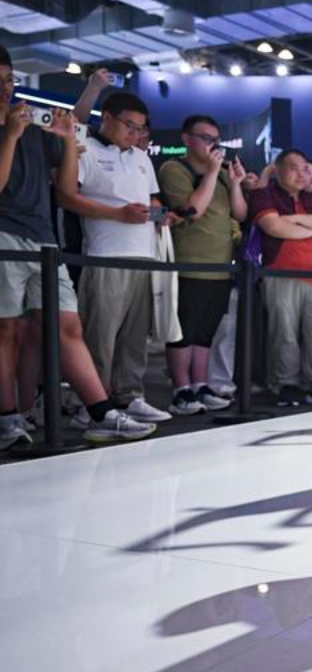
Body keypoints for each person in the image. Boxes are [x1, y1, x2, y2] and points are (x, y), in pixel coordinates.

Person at [0, 47, 156, 447]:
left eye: (9, 79)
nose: (5, 88)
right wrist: (11, 135)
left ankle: (100, 412)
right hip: (5, 237)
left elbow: (65, 186)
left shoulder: (32, 124)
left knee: (68, 326)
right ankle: (8, 418)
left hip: (44, 238)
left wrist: (68, 139)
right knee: (7, 330)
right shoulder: (18, 128)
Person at [56, 91, 173, 426]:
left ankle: (130, 396)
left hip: (144, 254)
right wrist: (118, 214)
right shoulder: (85, 150)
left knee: (135, 337)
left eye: (140, 128)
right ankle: (92, 403)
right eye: (129, 126)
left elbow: (152, 201)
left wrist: (160, 214)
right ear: (106, 117)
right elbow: (68, 197)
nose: (134, 134)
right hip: (105, 255)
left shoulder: (141, 158)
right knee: (100, 334)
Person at [157, 114, 247, 414]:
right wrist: (211, 173)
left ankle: (200, 385)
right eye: (206, 138)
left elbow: (241, 214)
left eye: (216, 140)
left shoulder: (222, 174)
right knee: (183, 330)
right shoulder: (174, 168)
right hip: (188, 263)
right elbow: (193, 210)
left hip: (220, 266)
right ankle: (181, 391)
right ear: (186, 139)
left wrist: (235, 184)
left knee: (206, 332)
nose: (213, 145)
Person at [247, 149, 312, 406]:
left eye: (304, 168)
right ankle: (286, 384)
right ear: (277, 170)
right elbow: (273, 226)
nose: (301, 174)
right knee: (284, 332)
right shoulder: (265, 194)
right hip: (281, 274)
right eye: (293, 168)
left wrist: (297, 219)